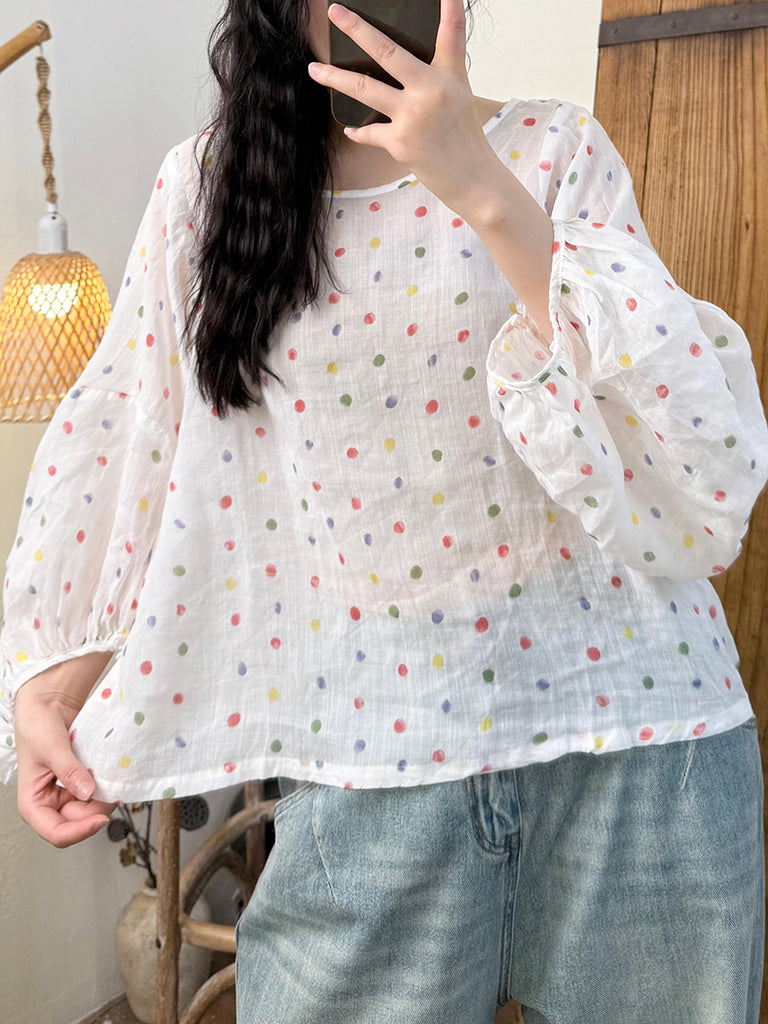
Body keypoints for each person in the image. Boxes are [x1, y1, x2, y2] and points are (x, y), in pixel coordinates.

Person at [2, 0, 766, 1020]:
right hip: (368, 759)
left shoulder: (555, 151)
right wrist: (52, 681)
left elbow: (695, 468)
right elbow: (135, 435)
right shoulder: (208, 191)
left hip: (634, 741)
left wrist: (478, 183)